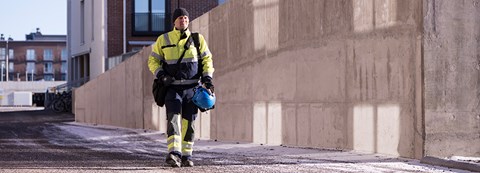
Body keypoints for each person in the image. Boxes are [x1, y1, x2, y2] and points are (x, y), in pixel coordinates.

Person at [148, 7, 214, 167]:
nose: (183, 20)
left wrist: (208, 78)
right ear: (174, 21)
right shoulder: (163, 40)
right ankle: (174, 153)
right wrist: (162, 75)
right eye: (180, 18)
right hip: (173, 89)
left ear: (188, 20)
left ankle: (187, 156)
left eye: (185, 18)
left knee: (189, 123)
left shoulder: (198, 39)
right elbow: (152, 61)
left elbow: (207, 60)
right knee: (173, 120)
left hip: (193, 90)